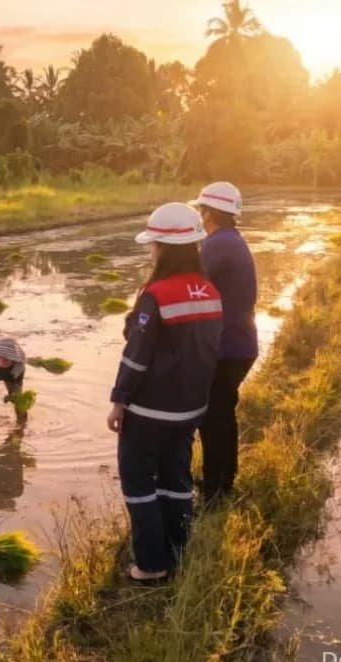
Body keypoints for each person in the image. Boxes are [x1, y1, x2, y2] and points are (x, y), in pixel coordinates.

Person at [107, 202, 223, 583]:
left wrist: (119, 400)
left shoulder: (156, 295)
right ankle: (178, 550)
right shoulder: (209, 290)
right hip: (191, 409)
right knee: (176, 480)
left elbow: (137, 356)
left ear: (163, 248)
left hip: (150, 411)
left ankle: (151, 565)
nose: (151, 251)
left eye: (153, 245)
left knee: (138, 482)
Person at [195, 181, 258, 508]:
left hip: (226, 349)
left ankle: (214, 492)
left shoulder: (216, 245)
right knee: (222, 414)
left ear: (209, 213)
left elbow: (191, 285)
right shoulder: (231, 240)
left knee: (212, 418)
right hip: (240, 346)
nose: (199, 215)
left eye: (201, 210)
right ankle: (224, 479)